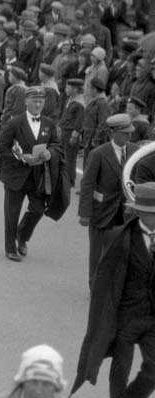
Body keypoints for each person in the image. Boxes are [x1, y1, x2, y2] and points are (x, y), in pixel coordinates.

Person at [73, 181, 155, 398]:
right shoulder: (119, 238)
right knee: (121, 368)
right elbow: (104, 282)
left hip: (152, 319)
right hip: (125, 317)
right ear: (141, 213)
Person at [0, 86, 63, 262]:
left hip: (38, 177)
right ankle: (10, 248)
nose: (38, 104)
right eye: (34, 101)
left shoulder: (49, 123)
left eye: (41, 101)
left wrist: (50, 153)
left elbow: (56, 145)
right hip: (16, 176)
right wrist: (22, 158)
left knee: (38, 210)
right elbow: (0, 147)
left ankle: (22, 236)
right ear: (26, 102)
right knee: (12, 214)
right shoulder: (14, 123)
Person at [79, 114, 134, 289]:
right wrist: (85, 213)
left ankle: (116, 285)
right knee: (97, 252)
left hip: (126, 212)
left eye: (130, 132)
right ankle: (94, 285)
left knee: (122, 251)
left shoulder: (134, 152)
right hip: (102, 211)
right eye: (124, 133)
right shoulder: (98, 154)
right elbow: (87, 184)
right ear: (113, 133)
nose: (128, 136)